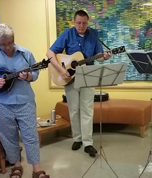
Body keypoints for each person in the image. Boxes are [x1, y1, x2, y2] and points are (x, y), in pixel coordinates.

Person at [0, 24, 49, 178]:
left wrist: (28, 76)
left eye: (10, 42)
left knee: (30, 136)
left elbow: (35, 73)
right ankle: (16, 166)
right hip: (0, 103)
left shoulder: (25, 53)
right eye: (3, 44)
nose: (7, 47)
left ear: (14, 39)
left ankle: (37, 170)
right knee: (8, 136)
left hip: (24, 102)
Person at [46, 10, 112, 157]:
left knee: (88, 109)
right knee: (74, 110)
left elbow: (99, 57)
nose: (81, 26)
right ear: (74, 22)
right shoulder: (67, 34)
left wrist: (105, 57)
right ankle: (77, 138)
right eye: (78, 23)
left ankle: (88, 143)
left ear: (88, 22)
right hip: (69, 76)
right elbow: (50, 53)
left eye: (84, 23)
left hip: (88, 75)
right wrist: (61, 70)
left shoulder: (94, 34)